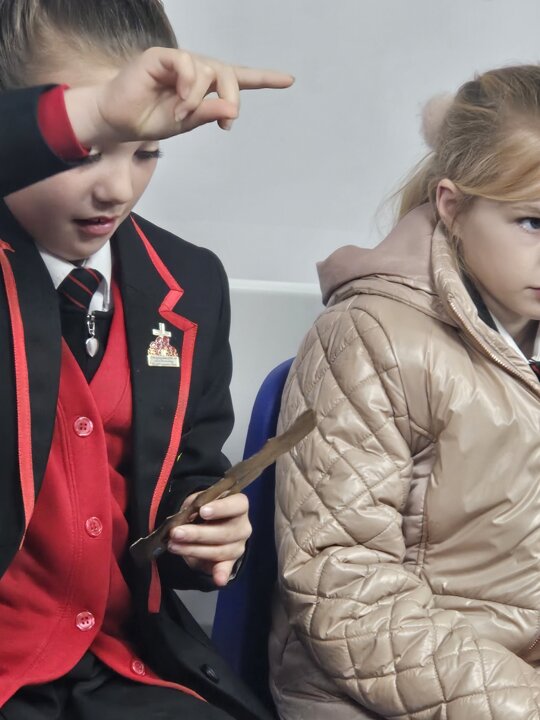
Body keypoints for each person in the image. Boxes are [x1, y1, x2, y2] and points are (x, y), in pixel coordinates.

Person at [0, 1, 293, 718]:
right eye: (84, 146)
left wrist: (205, 532)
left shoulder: (188, 284)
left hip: (121, 664)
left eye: (145, 150)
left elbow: (184, 471)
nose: (117, 189)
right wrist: (90, 111)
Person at [270, 64, 540, 720]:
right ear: (453, 206)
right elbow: (343, 591)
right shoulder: (370, 340)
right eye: (533, 222)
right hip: (378, 691)